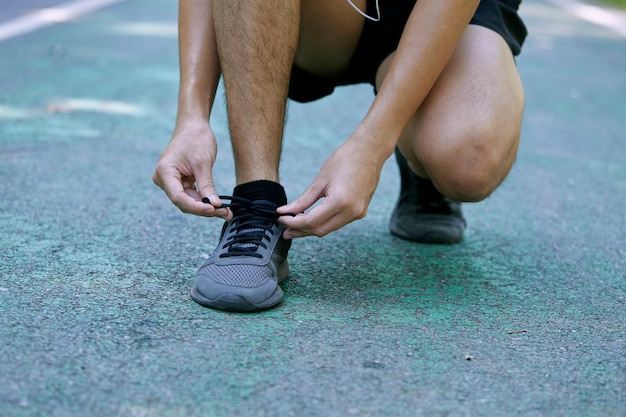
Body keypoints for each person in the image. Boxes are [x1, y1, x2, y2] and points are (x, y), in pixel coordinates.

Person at [153, 0, 527, 312]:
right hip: (329, 14)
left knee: (469, 161)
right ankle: (257, 200)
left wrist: (372, 145)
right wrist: (191, 116)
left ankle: (420, 159)